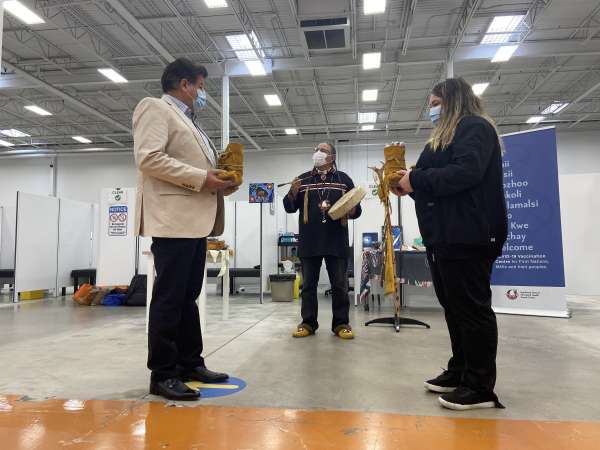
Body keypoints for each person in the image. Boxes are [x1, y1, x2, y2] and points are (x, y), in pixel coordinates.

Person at [391, 77, 508, 410]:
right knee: (454, 308)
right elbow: (428, 175)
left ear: (452, 100)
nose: (431, 110)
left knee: (472, 309)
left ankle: (481, 385)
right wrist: (406, 182)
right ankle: (460, 371)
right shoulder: (442, 139)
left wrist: (416, 179)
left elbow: (466, 172)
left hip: (470, 235)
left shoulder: (474, 128)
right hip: (444, 237)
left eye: (435, 103)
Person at [133, 58, 236, 401]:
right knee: (169, 298)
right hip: (173, 220)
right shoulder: (155, 108)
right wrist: (201, 178)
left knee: (188, 296)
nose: (202, 94)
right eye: (201, 87)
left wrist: (219, 182)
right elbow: (148, 158)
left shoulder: (191, 122)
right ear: (184, 84)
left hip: (194, 222)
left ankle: (190, 362)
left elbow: (197, 169)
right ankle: (162, 373)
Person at [284, 142, 362, 339]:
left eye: (323, 150)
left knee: (339, 285)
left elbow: (356, 210)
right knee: (309, 285)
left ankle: (341, 323)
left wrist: (352, 209)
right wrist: (292, 192)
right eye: (315, 150)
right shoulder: (302, 179)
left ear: (332, 157)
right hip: (310, 242)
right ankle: (308, 323)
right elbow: (289, 207)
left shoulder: (344, 179)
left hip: (337, 242)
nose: (317, 153)